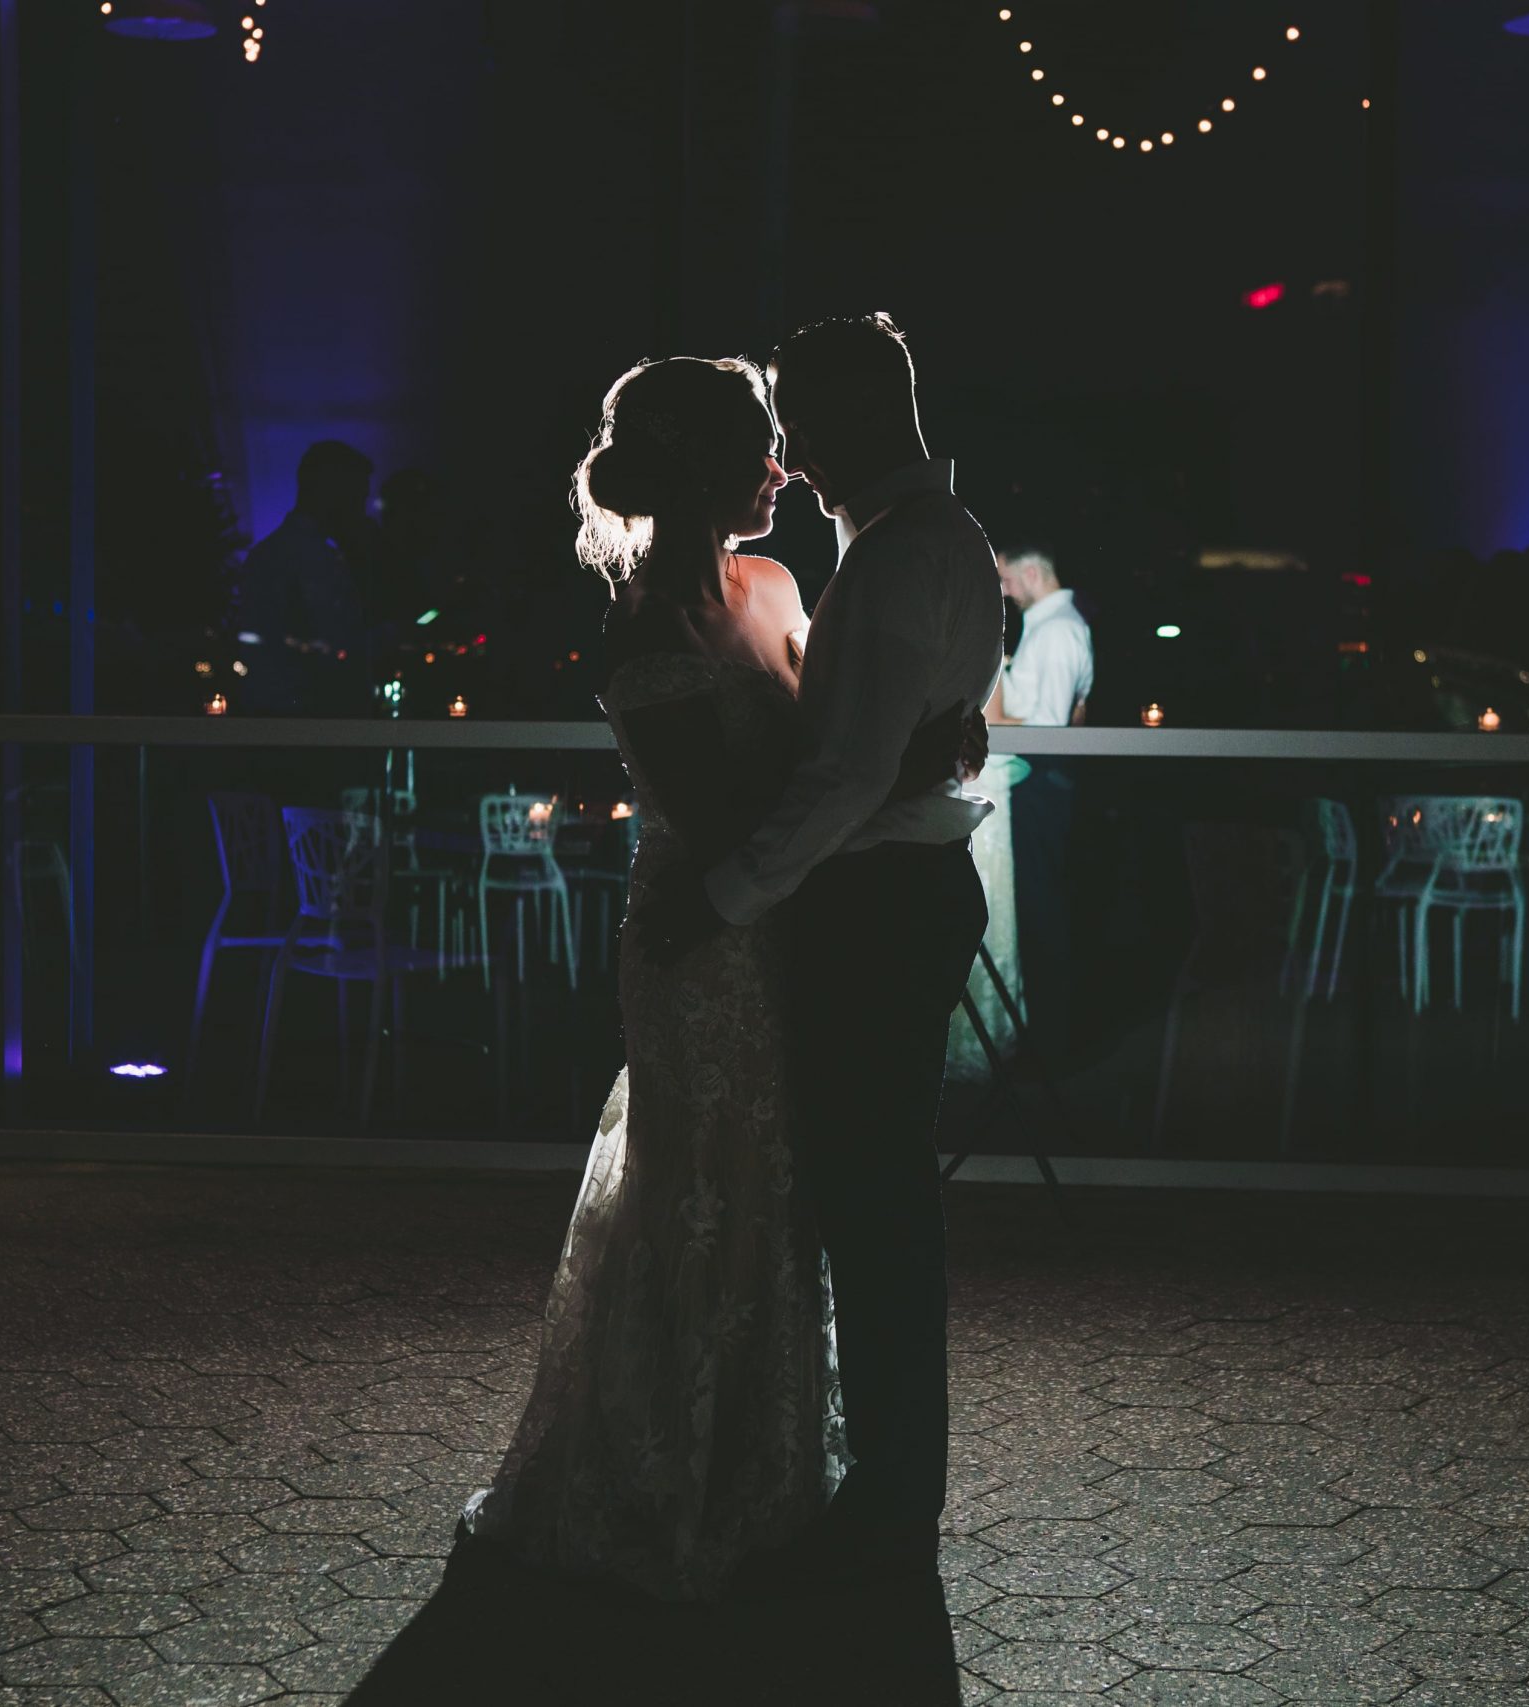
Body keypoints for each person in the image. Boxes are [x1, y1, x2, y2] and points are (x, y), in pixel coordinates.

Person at [455, 354, 980, 1601]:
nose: (782, 463)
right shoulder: (639, 634)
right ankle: (670, 1468)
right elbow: (746, 817)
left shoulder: (779, 581)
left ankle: (769, 1457)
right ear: (700, 465)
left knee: (780, 1197)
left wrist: (894, 755)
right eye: (759, 440)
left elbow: (818, 771)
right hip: (703, 947)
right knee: (707, 1194)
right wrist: (911, 768)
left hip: (777, 925)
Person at [652, 313, 1004, 1585]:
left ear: (857, 413)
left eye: (798, 420)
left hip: (879, 903)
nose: (788, 456)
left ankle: (894, 1487)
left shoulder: (900, 555)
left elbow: (849, 771)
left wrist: (726, 896)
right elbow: (887, 746)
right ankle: (889, 1473)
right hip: (905, 887)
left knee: (874, 1204)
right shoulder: (929, 542)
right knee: (874, 1196)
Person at [984, 547, 1091, 1026]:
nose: (1004, 589)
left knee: (1043, 906)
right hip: (1033, 778)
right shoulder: (1047, 627)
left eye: (1007, 579)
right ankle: (1046, 1022)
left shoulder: (1059, 629)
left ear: (1032, 572)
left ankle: (1054, 1031)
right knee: (1035, 904)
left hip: (1043, 779)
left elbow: (1050, 727)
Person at [233, 440, 372, 711]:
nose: (361, 510)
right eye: (356, 497)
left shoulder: (277, 554)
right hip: (305, 720)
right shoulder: (304, 559)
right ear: (332, 492)